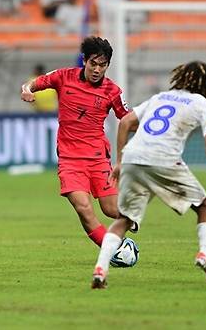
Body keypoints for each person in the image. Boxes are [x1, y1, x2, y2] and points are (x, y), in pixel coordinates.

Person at [90, 61, 206, 289]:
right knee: (204, 207)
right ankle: (204, 254)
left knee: (124, 219)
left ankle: (100, 269)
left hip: (134, 157)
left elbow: (125, 122)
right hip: (164, 159)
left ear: (180, 77)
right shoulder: (202, 104)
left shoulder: (160, 97)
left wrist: (120, 162)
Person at [20, 36, 130, 248]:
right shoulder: (63, 76)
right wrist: (27, 90)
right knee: (83, 208)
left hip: (98, 158)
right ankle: (113, 250)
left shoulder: (113, 91)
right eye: (93, 64)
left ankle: (132, 213)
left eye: (103, 65)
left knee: (111, 210)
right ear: (84, 60)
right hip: (70, 160)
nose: (97, 69)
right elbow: (33, 83)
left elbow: (128, 119)